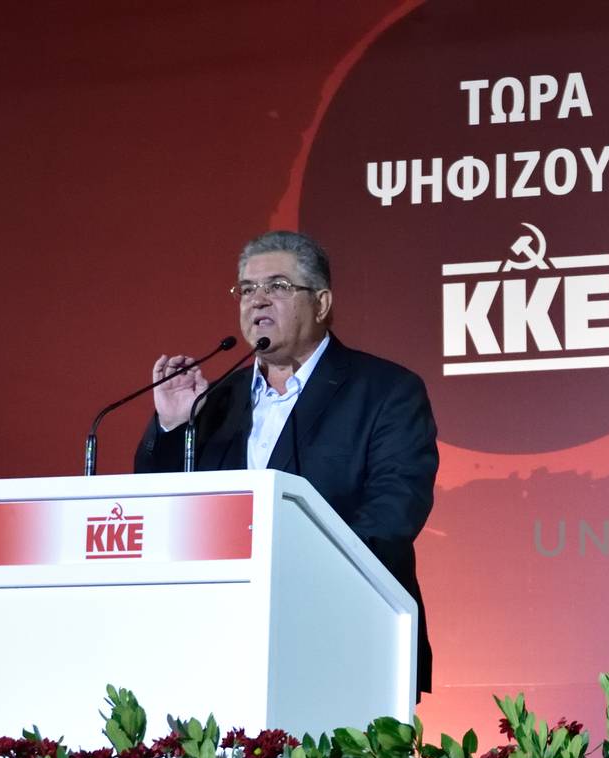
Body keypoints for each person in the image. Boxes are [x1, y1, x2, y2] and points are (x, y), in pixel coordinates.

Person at [135, 230, 438, 696]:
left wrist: (300, 582)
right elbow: (164, 515)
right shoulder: (214, 401)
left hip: (346, 637)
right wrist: (175, 426)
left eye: (277, 286)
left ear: (321, 304)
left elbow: (394, 511)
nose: (258, 301)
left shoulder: (385, 391)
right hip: (217, 642)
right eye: (247, 289)